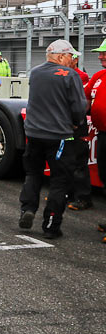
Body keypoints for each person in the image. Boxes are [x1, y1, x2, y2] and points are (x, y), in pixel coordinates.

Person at [18, 40, 87, 239]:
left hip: (34, 133)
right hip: (60, 136)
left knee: (33, 174)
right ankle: (51, 225)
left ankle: (27, 209)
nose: (72, 60)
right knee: (60, 181)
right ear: (60, 56)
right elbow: (78, 107)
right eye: (70, 56)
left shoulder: (36, 72)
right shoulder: (70, 75)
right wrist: (76, 122)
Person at [69, 41, 106, 212]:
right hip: (102, 134)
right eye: (100, 53)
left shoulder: (82, 75)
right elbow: (83, 100)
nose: (100, 56)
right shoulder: (98, 76)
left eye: (104, 53)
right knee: (104, 174)